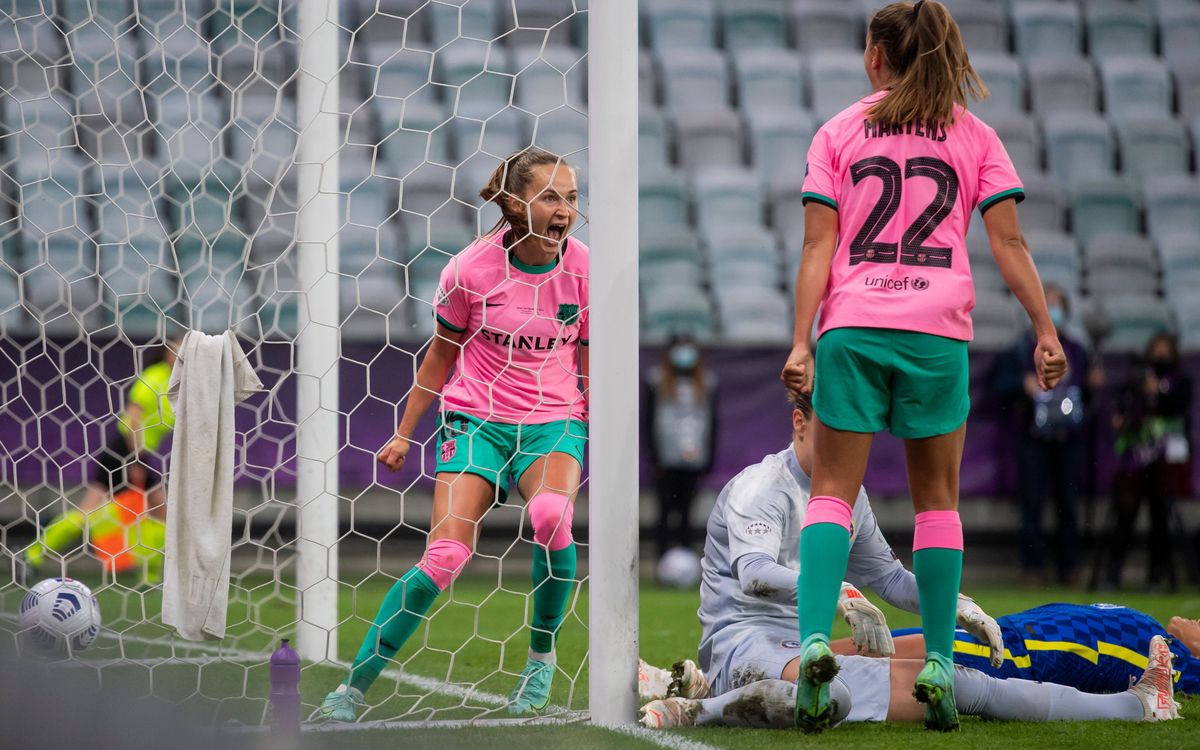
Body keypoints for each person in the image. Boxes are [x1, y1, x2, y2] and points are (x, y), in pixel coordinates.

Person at [780, 0, 1067, 730]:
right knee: (938, 501)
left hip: (853, 327)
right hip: (936, 335)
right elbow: (1010, 245)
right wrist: (1044, 328)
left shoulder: (839, 130)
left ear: (877, 56)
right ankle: (939, 660)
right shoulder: (975, 136)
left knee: (832, 494)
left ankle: (816, 642)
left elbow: (818, 248)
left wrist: (801, 340)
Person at [319, 149, 588, 721]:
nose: (564, 210)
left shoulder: (583, 269)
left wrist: (597, 430)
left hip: (553, 421)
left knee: (550, 519)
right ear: (516, 204)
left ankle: (540, 660)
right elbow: (440, 356)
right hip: (477, 421)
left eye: (570, 197)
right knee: (445, 555)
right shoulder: (470, 269)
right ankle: (353, 687)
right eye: (550, 197)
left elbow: (588, 360)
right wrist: (403, 433)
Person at [694, 390, 1006, 717]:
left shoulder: (852, 497)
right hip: (742, 646)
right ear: (800, 423)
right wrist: (837, 591)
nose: (848, 445)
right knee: (833, 697)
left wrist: (956, 605)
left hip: (801, 647)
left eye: (857, 434)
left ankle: (701, 686)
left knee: (950, 651)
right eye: (835, 431)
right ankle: (702, 708)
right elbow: (754, 573)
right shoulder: (761, 485)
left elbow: (890, 578)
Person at [638, 636, 1177, 730]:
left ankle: (1138, 706)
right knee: (975, 687)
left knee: (975, 686)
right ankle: (1138, 706)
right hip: (859, 682)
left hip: (867, 677)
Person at [23, 338, 177, 583]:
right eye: (177, 350)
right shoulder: (155, 376)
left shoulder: (178, 384)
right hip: (126, 452)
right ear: (167, 352)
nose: (181, 356)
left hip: (139, 455)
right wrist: (135, 459)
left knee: (160, 513)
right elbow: (133, 417)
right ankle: (32, 554)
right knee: (92, 513)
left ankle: (152, 577)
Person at [995, 285, 1098, 586]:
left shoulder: (1078, 350)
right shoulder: (1020, 348)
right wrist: (1022, 383)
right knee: (1032, 504)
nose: (1052, 312)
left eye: (1056, 305)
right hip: (1033, 439)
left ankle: (1070, 568)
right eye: (1046, 305)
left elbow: (1087, 395)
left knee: (1069, 504)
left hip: (1068, 438)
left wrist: (1093, 385)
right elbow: (1001, 386)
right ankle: (1032, 569)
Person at [1097, 332, 1193, 591]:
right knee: (1124, 517)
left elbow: (1179, 407)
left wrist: (1159, 391)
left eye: (1165, 349)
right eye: (1156, 349)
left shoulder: (1179, 382)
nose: (1160, 355)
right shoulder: (1136, 382)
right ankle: (1112, 575)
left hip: (1164, 464)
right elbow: (1124, 410)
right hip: (1135, 463)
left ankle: (1157, 577)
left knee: (1160, 520)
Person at [644, 333, 718, 562]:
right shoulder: (655, 380)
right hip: (666, 460)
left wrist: (708, 459)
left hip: (694, 460)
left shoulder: (706, 382)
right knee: (665, 513)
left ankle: (686, 560)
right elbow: (648, 421)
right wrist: (654, 457)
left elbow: (713, 423)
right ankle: (663, 562)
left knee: (687, 514)